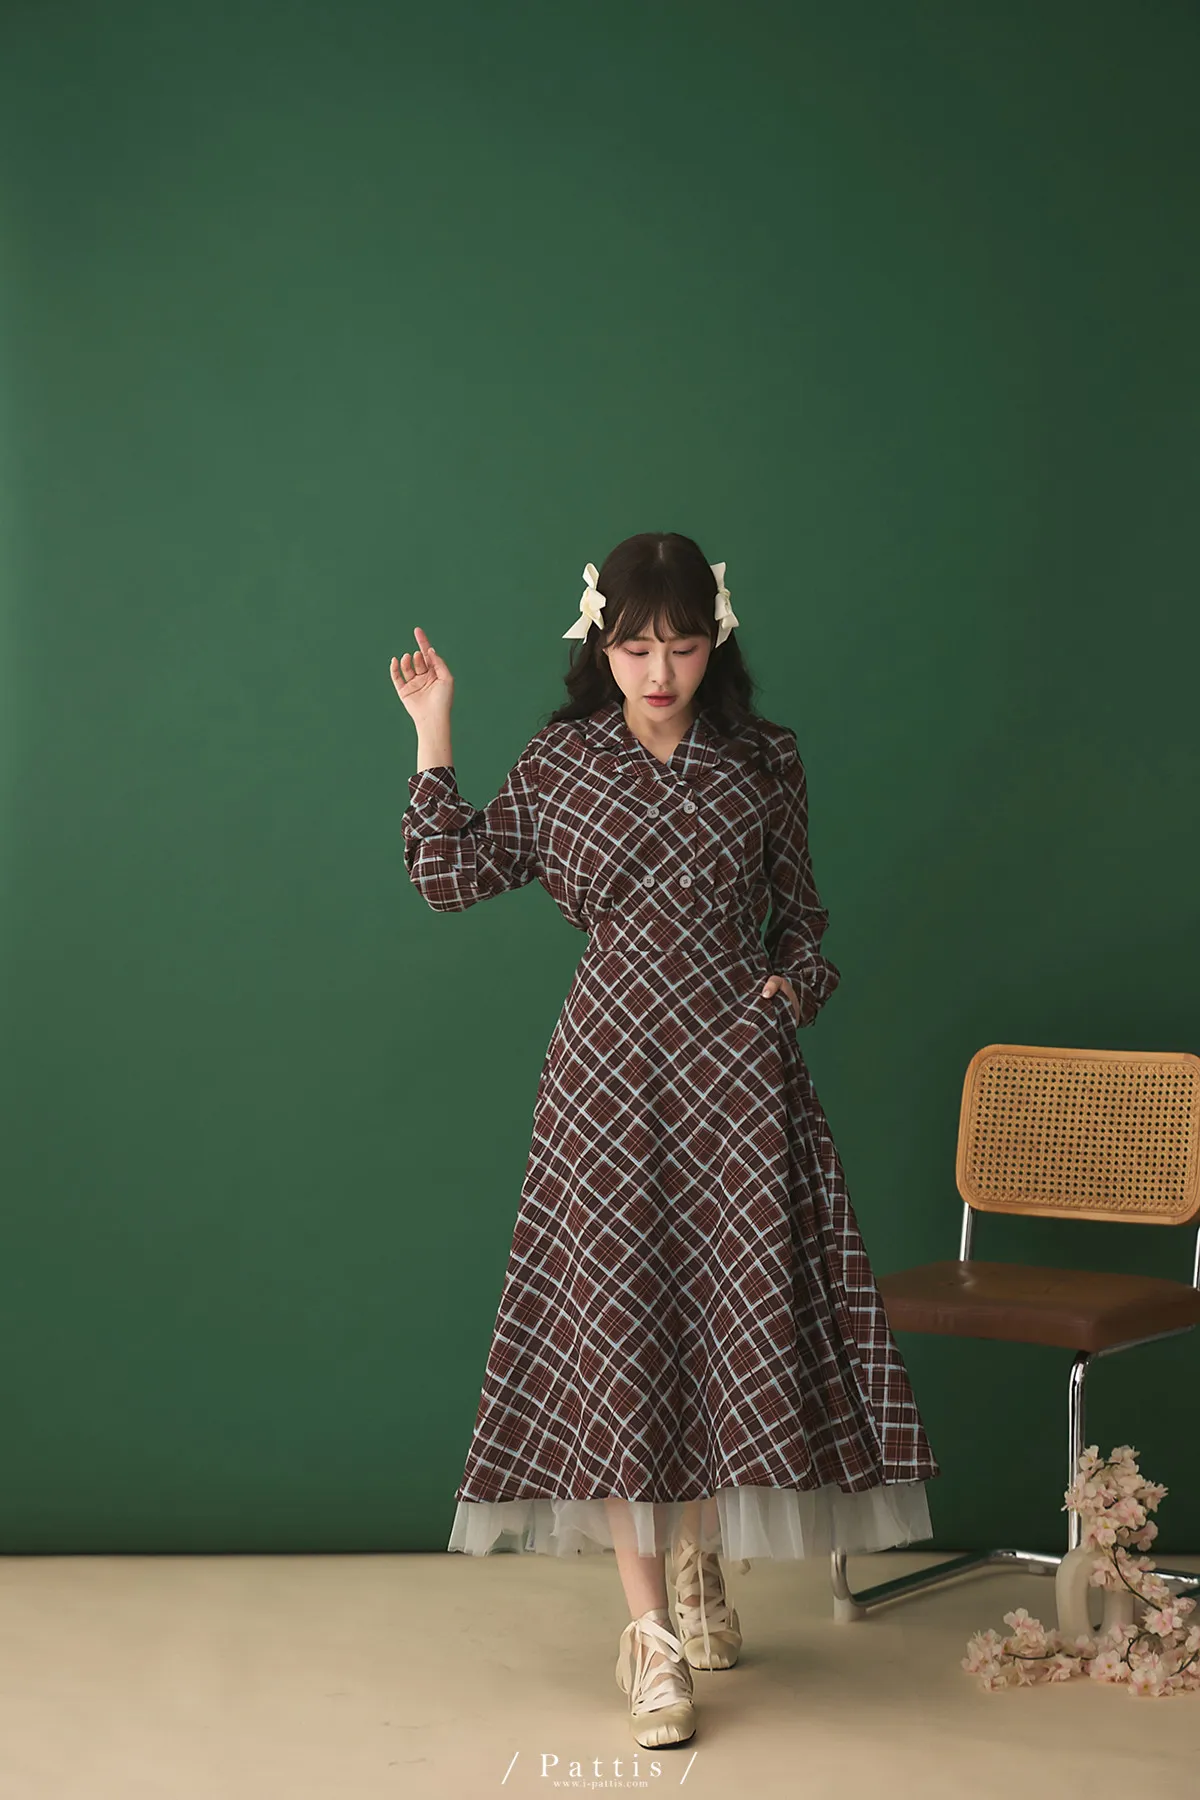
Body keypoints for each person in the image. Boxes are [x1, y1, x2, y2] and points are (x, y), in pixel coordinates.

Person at [392, 531, 940, 1748]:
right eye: (635, 648)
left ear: (715, 642)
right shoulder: (562, 761)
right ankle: (648, 1633)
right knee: (619, 1330)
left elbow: (806, 923)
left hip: (736, 1080)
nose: (658, 672)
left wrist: (788, 994)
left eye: (682, 647)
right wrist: (435, 728)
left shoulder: (764, 759)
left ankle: (699, 1560)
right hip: (604, 1079)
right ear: (601, 645)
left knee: (724, 1324)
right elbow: (447, 876)